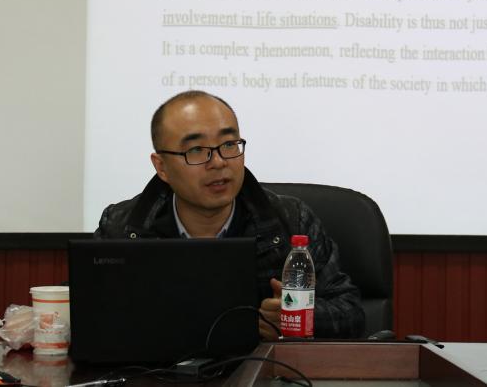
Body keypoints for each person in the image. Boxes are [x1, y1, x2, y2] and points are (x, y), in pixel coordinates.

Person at [95, 90, 365, 340]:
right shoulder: (122, 227)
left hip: (261, 369)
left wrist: (295, 318)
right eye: (196, 150)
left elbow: (351, 313)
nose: (219, 162)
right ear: (162, 167)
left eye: (228, 144)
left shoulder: (291, 220)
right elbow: (90, 314)